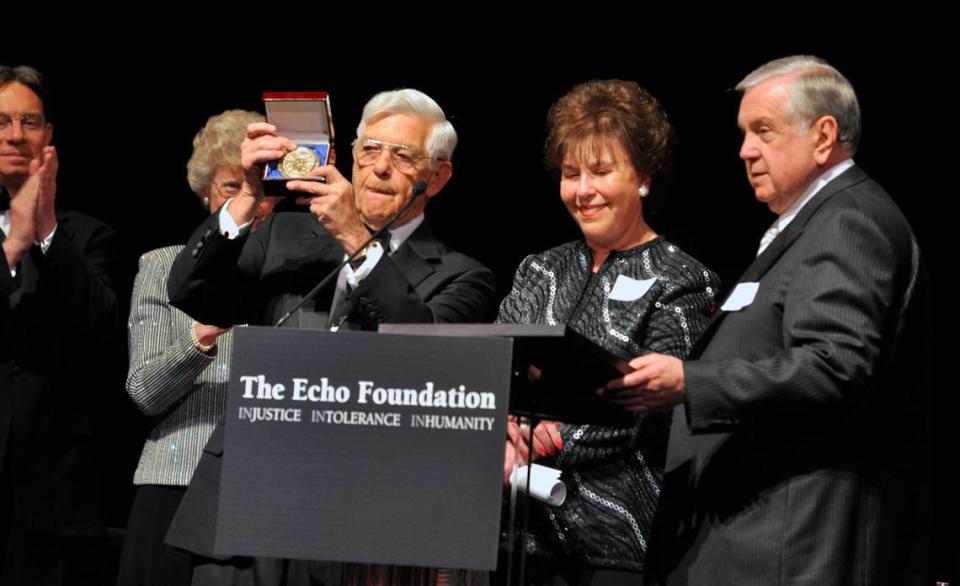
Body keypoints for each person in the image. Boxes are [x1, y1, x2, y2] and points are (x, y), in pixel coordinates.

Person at [603, 56, 933, 585]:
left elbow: (832, 366)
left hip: (793, 545)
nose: (745, 151)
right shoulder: (813, 219)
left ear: (824, 136)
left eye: (763, 131)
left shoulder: (848, 220)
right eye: (743, 133)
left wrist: (690, 382)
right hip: (762, 535)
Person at [164, 88, 496, 585]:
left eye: (403, 156)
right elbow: (194, 293)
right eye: (370, 150)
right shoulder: (285, 235)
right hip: (244, 509)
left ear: (438, 175)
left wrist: (357, 242)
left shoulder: (462, 276)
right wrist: (247, 199)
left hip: (356, 527)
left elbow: (426, 354)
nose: (380, 168)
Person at [498, 79, 719, 585]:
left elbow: (652, 408)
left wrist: (548, 440)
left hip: (612, 542)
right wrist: (504, 428)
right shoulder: (540, 270)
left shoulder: (681, 279)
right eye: (570, 173)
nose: (581, 190)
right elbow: (497, 367)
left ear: (643, 176)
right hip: (517, 535)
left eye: (600, 171)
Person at [116, 109, 277, 586]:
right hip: (175, 480)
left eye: (264, 193)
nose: (256, 205)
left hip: (262, 489)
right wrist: (200, 336)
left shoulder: (290, 275)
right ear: (207, 193)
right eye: (233, 189)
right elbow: (144, 391)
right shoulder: (163, 265)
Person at [0, 64, 121, 585]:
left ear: (48, 136)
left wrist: (45, 228)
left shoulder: (89, 237)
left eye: (30, 121)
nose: (16, 134)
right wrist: (10, 248)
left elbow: (106, 331)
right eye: (2, 121)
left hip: (50, 497)